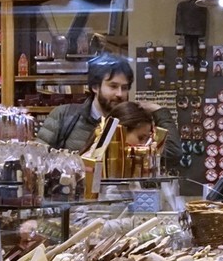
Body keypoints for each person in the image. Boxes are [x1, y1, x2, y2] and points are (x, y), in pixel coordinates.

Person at [38, 53, 180, 172]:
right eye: (113, 86)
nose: (119, 94)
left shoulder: (131, 122)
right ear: (95, 86)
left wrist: (159, 111)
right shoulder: (65, 116)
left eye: (124, 88)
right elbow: (37, 160)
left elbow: (172, 156)